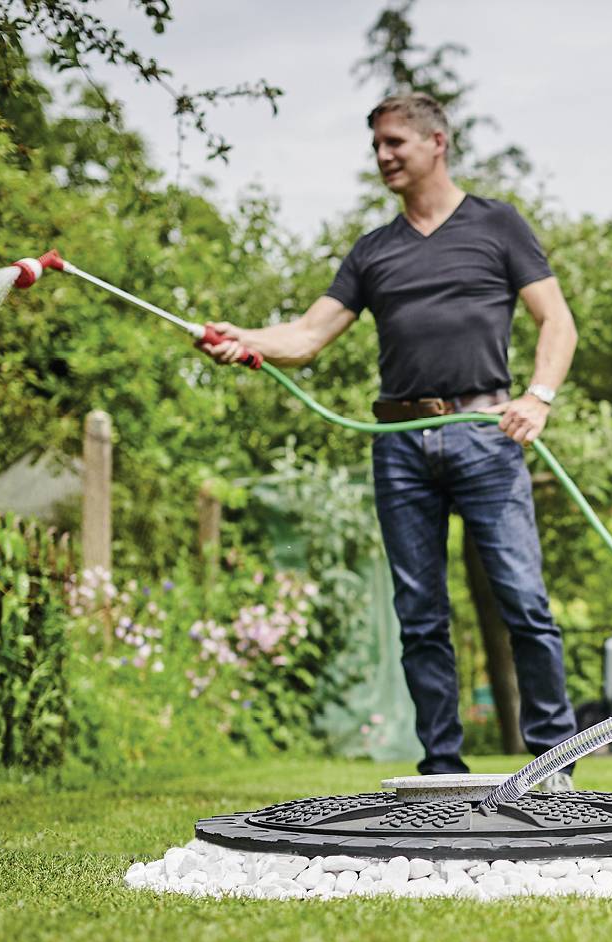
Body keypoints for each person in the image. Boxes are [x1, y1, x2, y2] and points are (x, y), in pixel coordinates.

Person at [200, 92, 579, 784]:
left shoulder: (497, 226)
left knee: (523, 599)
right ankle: (441, 766)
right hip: (400, 443)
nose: (383, 157)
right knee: (420, 614)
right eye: (376, 145)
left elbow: (557, 321)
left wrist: (539, 397)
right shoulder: (374, 251)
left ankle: (553, 762)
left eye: (395, 142)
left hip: (483, 435)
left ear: (438, 142)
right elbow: (309, 336)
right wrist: (243, 338)